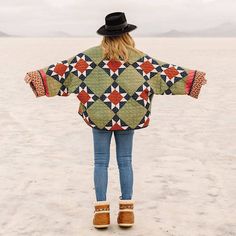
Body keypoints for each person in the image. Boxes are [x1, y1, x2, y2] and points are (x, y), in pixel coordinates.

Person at [24, 12, 207, 229]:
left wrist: (37, 77)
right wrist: (195, 79)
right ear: (127, 33)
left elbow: (64, 71)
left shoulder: (87, 59)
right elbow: (166, 73)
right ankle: (127, 213)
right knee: (125, 161)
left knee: (100, 162)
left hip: (99, 116)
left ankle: (101, 213)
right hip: (128, 116)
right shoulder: (140, 59)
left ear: (105, 35)